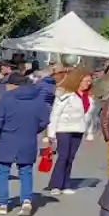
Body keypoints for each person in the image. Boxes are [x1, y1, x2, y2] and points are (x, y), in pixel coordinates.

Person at [0, 70, 51, 216]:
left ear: (13, 85)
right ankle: (26, 201)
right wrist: (33, 130)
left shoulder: (7, 98)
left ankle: (2, 204)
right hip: (28, 139)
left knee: (2, 171)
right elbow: (44, 120)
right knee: (26, 171)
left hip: (7, 138)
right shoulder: (38, 99)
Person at [43, 67, 96, 196]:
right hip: (64, 129)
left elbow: (90, 117)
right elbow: (55, 114)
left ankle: (66, 184)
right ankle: (55, 185)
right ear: (78, 81)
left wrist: (90, 132)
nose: (88, 83)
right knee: (63, 156)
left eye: (90, 81)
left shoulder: (89, 98)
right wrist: (51, 133)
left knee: (71, 158)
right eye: (86, 81)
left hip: (79, 130)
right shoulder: (66, 95)